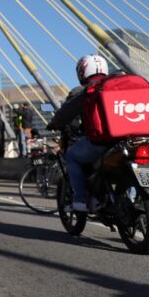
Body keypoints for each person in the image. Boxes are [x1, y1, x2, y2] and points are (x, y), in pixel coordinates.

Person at [47, 54, 110, 213]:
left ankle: (81, 199)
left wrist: (56, 123)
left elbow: (69, 112)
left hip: (102, 140)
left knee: (73, 157)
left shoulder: (83, 90)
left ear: (82, 71)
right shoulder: (119, 84)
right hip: (131, 139)